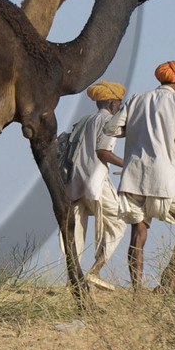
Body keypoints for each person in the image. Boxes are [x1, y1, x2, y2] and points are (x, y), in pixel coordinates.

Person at [117, 60, 175, 290]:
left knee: (138, 232)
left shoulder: (136, 99)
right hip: (164, 178)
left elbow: (112, 129)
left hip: (132, 178)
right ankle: (170, 283)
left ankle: (136, 292)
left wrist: (136, 130)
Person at [57, 81, 128, 291]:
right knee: (118, 222)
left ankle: (72, 279)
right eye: (119, 103)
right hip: (95, 180)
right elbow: (103, 152)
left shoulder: (84, 121)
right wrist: (129, 164)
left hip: (74, 183)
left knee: (75, 231)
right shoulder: (108, 121)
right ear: (113, 103)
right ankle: (95, 271)